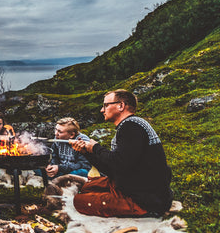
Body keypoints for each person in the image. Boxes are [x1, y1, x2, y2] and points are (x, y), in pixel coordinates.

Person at [70, 89, 173, 217]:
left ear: (121, 106)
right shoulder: (131, 125)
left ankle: (143, 211)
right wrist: (87, 152)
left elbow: (118, 163)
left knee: (78, 201)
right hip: (137, 185)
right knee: (87, 187)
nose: (102, 110)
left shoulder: (131, 127)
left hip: (144, 199)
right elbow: (113, 169)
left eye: (106, 105)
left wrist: (96, 147)